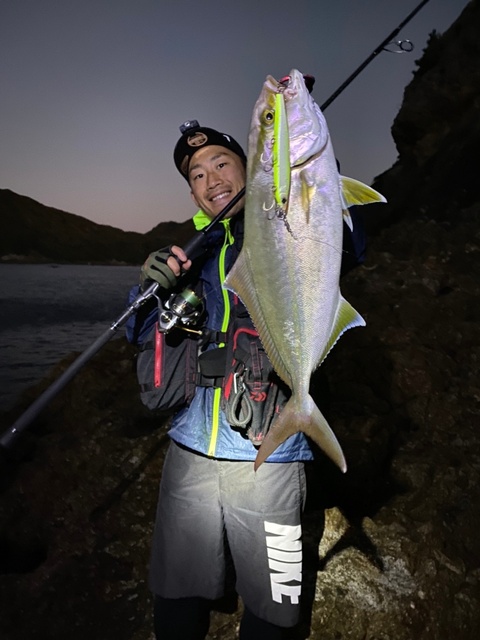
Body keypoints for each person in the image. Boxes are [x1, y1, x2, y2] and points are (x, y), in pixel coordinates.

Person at [126, 116, 365, 639]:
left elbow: (346, 241)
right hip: (189, 452)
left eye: (221, 163)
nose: (211, 179)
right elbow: (141, 332)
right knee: (175, 593)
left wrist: (312, 170)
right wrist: (150, 288)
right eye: (196, 174)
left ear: (250, 167)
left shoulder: (284, 221)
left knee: (275, 605)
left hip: (270, 458)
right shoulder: (190, 251)